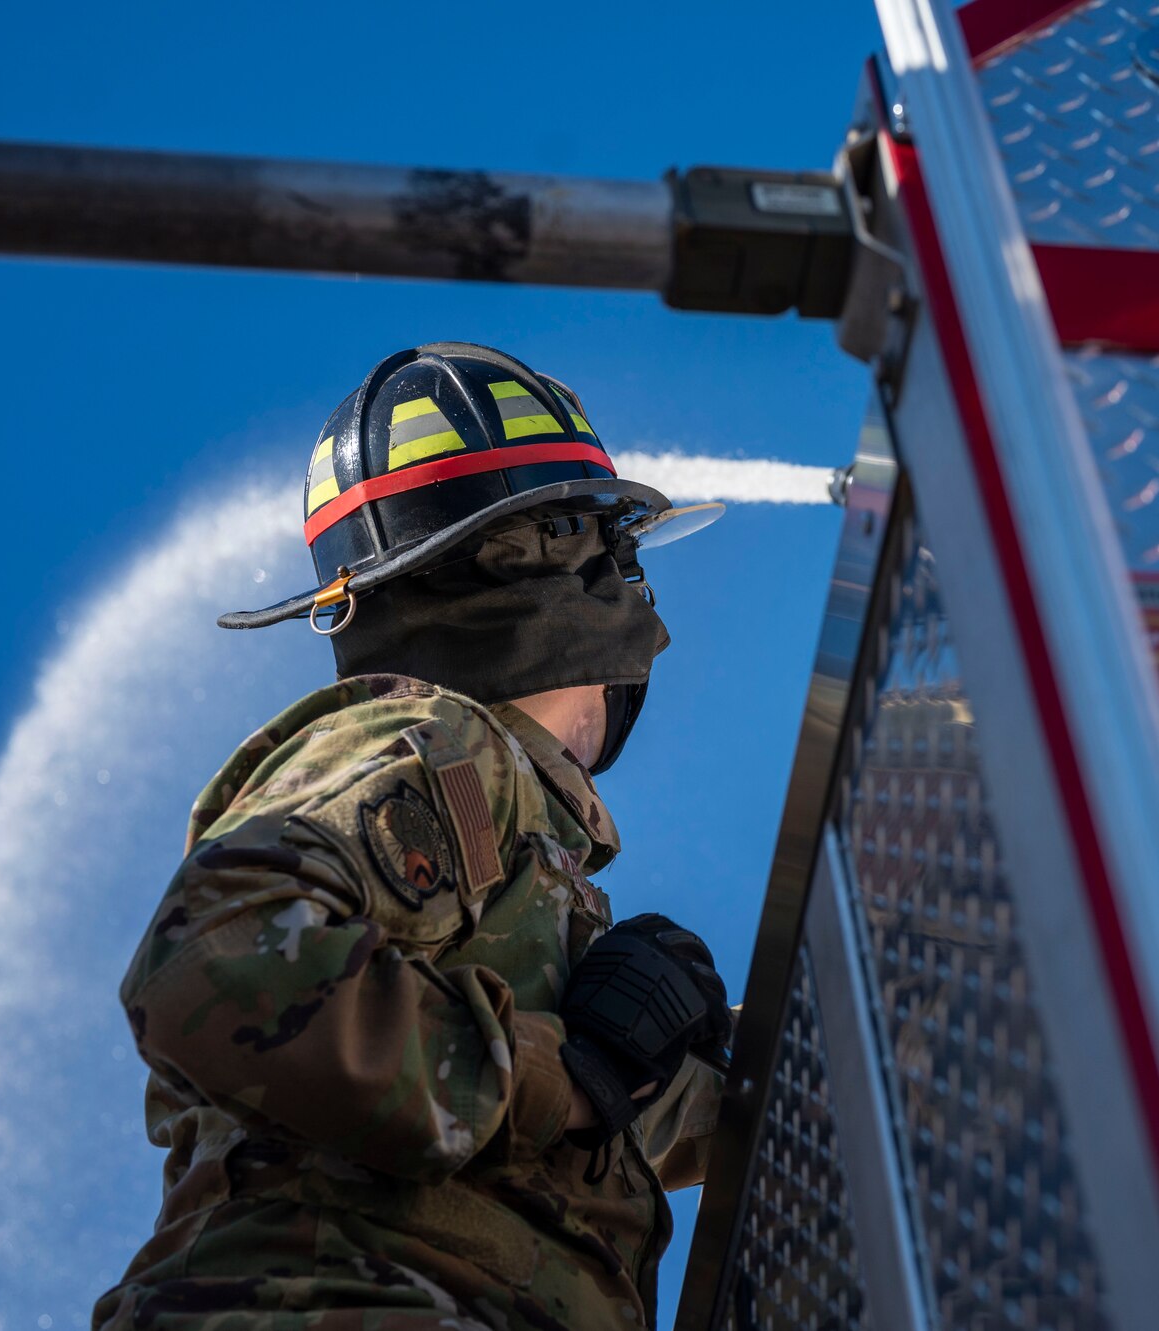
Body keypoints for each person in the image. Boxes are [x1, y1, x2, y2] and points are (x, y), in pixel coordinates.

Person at [94, 342, 734, 1331]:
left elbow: (597, 1103)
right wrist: (566, 1073)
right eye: (616, 555)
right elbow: (214, 956)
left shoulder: (512, 862)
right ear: (557, 563)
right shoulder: (446, 747)